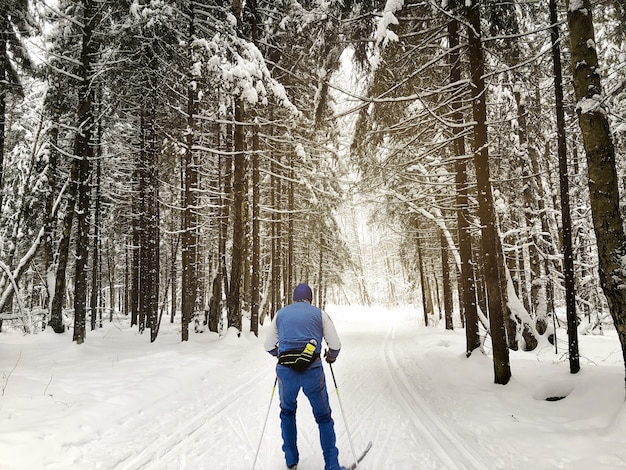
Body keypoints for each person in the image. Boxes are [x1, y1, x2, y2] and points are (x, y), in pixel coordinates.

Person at [264, 283, 346, 470]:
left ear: (294, 297)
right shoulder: (319, 314)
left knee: (287, 412)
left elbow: (268, 345)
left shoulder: (281, 314)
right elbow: (335, 344)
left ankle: (291, 460)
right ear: (310, 297)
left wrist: (282, 354)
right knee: (324, 417)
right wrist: (330, 357)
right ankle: (332, 465)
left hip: (286, 373)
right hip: (312, 371)